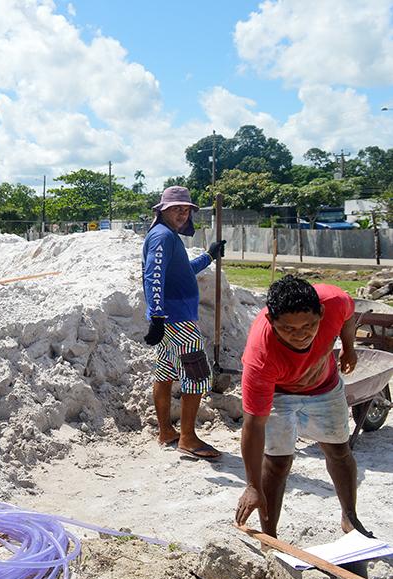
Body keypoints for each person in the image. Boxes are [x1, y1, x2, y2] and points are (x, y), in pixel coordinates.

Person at [234, 275, 373, 540]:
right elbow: (254, 424)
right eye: (288, 329)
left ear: (321, 313)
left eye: (309, 326)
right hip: (279, 393)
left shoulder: (333, 301)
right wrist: (252, 486)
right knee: (277, 462)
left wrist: (348, 347)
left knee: (339, 451)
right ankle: (271, 538)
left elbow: (347, 316)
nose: (301, 335)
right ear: (271, 321)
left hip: (324, 387)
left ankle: (350, 518)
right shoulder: (260, 358)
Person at [142, 186, 225, 459]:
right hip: (177, 321)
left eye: (186, 208)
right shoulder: (163, 237)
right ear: (162, 209)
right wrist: (156, 315)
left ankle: (166, 431)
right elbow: (153, 274)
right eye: (176, 208)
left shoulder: (168, 236)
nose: (181, 213)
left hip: (171, 320)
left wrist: (209, 256)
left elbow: (182, 272)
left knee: (165, 374)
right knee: (197, 374)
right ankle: (188, 438)